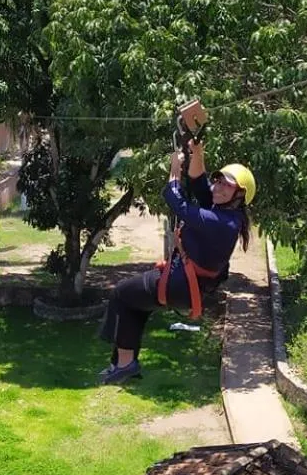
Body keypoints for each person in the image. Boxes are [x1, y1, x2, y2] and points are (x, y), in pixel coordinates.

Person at [96, 138, 256, 384]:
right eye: (219, 180)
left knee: (120, 294)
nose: (219, 186)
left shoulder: (222, 222)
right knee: (134, 303)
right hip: (182, 282)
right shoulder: (221, 210)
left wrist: (174, 170)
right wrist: (197, 152)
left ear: (239, 196)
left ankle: (125, 363)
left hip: (179, 284)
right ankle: (125, 363)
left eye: (227, 185)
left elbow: (177, 202)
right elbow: (198, 182)